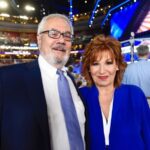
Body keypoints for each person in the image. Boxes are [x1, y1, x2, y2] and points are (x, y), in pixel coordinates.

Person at [0, 14, 86, 150]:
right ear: (39, 39)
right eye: (54, 33)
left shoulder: (71, 81)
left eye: (67, 35)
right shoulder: (8, 78)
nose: (62, 40)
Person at [79, 34, 150, 150]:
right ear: (89, 68)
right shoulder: (80, 96)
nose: (102, 71)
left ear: (117, 65)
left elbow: (148, 136)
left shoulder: (135, 95)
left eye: (108, 63)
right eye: (95, 64)